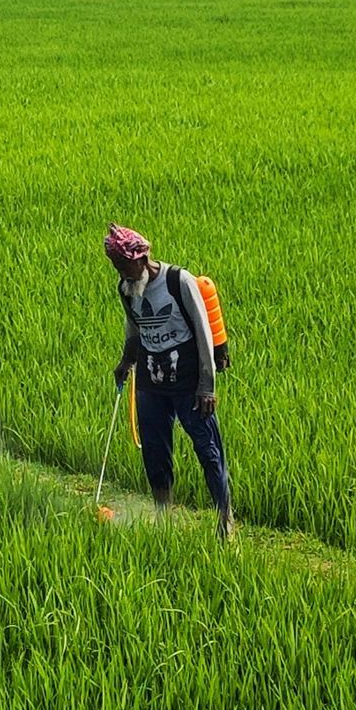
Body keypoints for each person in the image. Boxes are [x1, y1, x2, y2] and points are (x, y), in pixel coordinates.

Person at [105, 225, 235, 540]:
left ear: (142, 257)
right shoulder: (126, 288)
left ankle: (225, 520)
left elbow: (204, 334)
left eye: (125, 266)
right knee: (154, 451)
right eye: (117, 268)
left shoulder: (179, 281)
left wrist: (207, 385)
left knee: (209, 451)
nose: (123, 274)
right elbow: (134, 330)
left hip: (189, 381)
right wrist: (126, 361)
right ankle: (164, 517)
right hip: (151, 379)